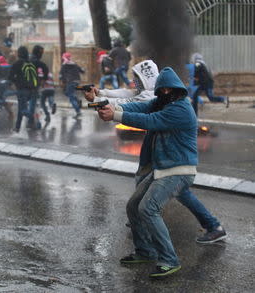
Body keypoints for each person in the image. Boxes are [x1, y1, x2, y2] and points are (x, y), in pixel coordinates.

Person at [85, 60, 227, 244]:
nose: (134, 82)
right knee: (178, 191)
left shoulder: (163, 98)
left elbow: (136, 109)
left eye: (137, 78)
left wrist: (103, 104)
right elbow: (128, 96)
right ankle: (213, 226)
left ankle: (159, 242)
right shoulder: (160, 96)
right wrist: (100, 95)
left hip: (165, 155)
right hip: (161, 150)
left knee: (149, 190)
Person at [96, 67, 214, 278]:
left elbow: (149, 121)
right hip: (163, 168)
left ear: (174, 90)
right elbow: (141, 107)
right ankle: (145, 251)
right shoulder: (163, 102)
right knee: (134, 206)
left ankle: (169, 260)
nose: (162, 93)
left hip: (178, 170)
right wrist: (105, 102)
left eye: (166, 90)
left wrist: (115, 115)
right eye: (160, 90)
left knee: (148, 209)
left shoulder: (180, 109)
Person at [9, 46, 38, 132]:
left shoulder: (17, 63)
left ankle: (33, 118)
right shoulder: (30, 63)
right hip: (32, 90)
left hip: (22, 90)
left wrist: (15, 82)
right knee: (21, 108)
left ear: (19, 54)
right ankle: (17, 127)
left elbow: (10, 77)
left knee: (23, 109)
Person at [59, 52, 84, 119]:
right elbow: (82, 70)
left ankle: (78, 111)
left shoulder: (64, 65)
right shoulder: (74, 64)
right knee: (67, 93)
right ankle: (78, 101)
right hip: (77, 81)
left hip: (70, 82)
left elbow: (61, 75)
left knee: (71, 97)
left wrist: (62, 81)